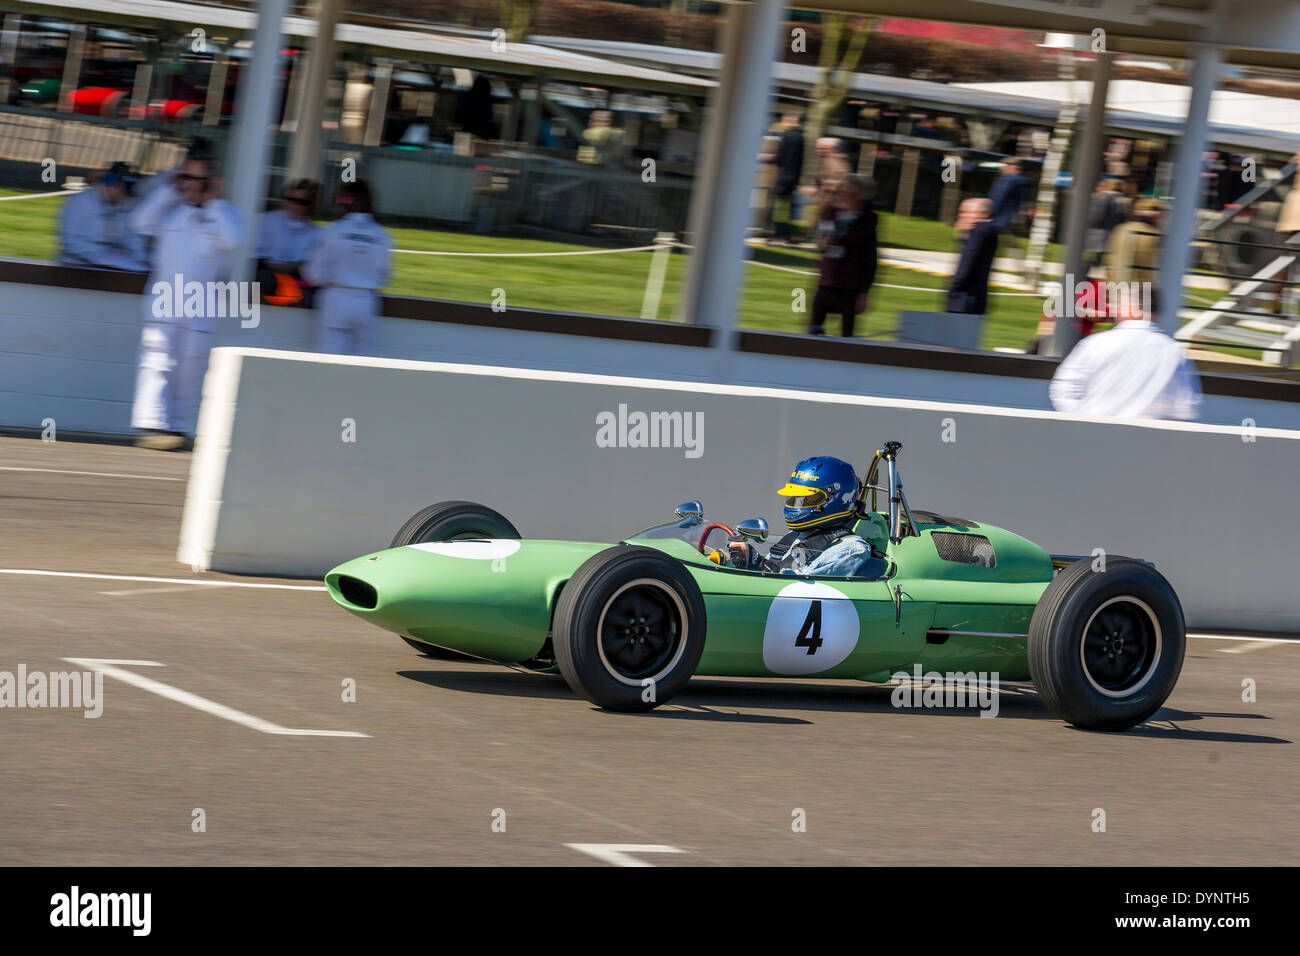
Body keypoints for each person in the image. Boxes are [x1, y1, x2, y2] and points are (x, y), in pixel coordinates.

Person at [128, 153, 243, 451]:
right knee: (157, 361)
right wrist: (168, 190)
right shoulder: (168, 209)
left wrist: (214, 200)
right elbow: (139, 223)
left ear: (210, 182)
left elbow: (233, 239)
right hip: (165, 298)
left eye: (195, 179)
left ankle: (175, 427)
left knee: (189, 368)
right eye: (185, 177)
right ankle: (152, 424)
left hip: (201, 302)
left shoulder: (224, 213)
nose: (188, 185)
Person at [720, 456, 881, 578]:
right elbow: (776, 568)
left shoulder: (851, 549)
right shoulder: (796, 537)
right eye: (794, 499)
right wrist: (742, 561)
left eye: (806, 499)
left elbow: (806, 590)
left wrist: (759, 567)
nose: (796, 506)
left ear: (837, 499)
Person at [1049, 292, 1201, 420]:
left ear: (1139, 308)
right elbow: (1186, 405)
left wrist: (1086, 423)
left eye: (1119, 304)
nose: (1113, 309)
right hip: (1150, 446)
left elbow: (1064, 390)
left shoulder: (1095, 344)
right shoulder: (1175, 353)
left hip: (1095, 441)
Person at [303, 179, 392, 356]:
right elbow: (384, 276)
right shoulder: (382, 236)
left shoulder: (332, 231)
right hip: (366, 301)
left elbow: (314, 273)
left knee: (330, 361)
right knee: (362, 364)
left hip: (336, 298)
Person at [809, 175, 877, 338]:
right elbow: (820, 241)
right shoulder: (829, 212)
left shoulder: (868, 219)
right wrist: (822, 244)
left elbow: (870, 259)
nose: (839, 195)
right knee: (814, 331)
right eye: (839, 192)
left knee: (847, 337)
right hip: (828, 281)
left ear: (858, 196)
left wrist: (864, 293)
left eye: (844, 192)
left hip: (851, 286)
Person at [57, 161, 148, 271]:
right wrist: (103, 256)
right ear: (113, 184)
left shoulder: (127, 205)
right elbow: (70, 241)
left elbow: (132, 238)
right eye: (125, 189)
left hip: (112, 268)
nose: (127, 195)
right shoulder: (80, 202)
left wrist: (141, 259)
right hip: (75, 267)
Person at [255, 178, 320, 306]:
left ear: (310, 205)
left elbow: (309, 267)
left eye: (302, 202)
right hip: (266, 276)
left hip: (296, 281)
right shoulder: (267, 221)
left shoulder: (315, 232)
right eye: (291, 200)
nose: (295, 206)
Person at [947, 198, 998, 315]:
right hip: (974, 299)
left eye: (967, 212)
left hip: (963, 299)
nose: (962, 216)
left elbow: (968, 262)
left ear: (984, 214)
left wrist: (954, 287)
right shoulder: (988, 231)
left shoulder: (979, 232)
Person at [769, 111, 804, 243]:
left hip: (783, 176)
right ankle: (785, 234)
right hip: (792, 177)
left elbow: (781, 158)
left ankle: (780, 233)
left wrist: (770, 158)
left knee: (778, 208)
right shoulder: (800, 136)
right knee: (787, 208)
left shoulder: (788, 136)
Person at [987, 158, 1029, 232]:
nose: (1001, 168)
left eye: (1004, 165)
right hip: (1009, 220)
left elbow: (997, 198)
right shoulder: (1024, 180)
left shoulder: (1007, 180)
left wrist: (989, 213)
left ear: (1013, 167)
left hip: (999, 220)